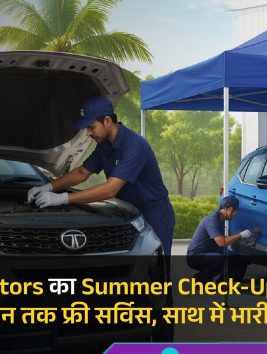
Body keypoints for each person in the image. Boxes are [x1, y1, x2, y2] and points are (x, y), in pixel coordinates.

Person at [27, 96, 176, 301]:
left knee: (157, 282)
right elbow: (82, 173)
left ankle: (160, 332)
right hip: (130, 214)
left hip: (155, 214)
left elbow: (110, 190)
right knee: (128, 282)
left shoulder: (135, 146)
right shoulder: (104, 145)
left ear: (107, 121)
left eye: (91, 127)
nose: (88, 134)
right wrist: (49, 185)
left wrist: (62, 199)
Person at [186, 196, 258, 282]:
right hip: (196, 257)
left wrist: (252, 233)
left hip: (209, 253)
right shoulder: (212, 220)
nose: (234, 214)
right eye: (234, 211)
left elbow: (228, 240)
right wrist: (241, 235)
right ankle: (202, 278)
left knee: (235, 257)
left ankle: (221, 283)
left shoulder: (221, 220)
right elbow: (221, 242)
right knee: (220, 258)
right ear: (229, 209)